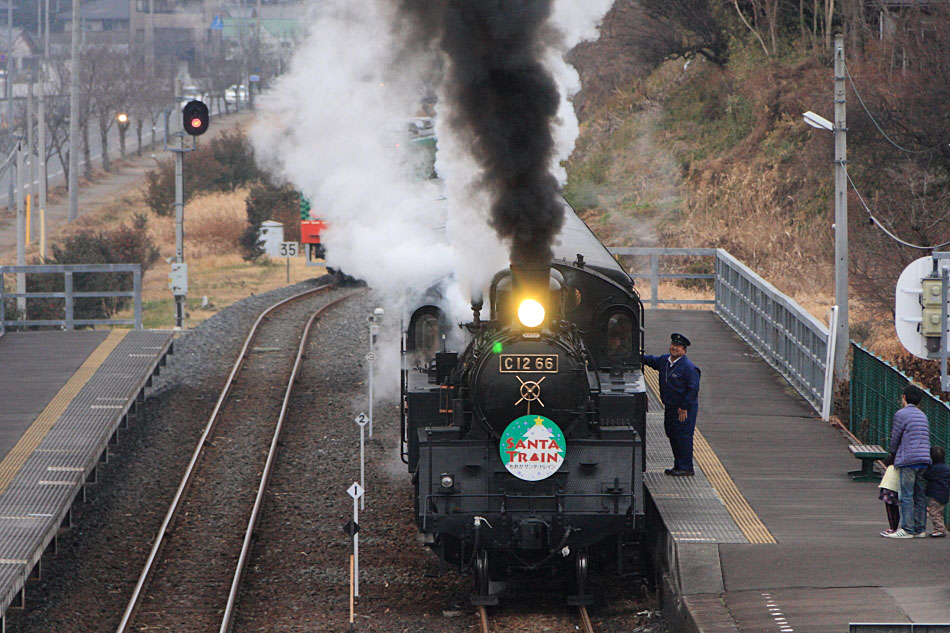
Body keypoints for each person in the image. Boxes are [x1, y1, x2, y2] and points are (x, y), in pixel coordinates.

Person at [643, 333, 701, 476]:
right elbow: (650, 360)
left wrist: (684, 407)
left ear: (684, 350)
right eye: (673, 345)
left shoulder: (689, 368)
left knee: (683, 435)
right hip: (670, 406)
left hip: (683, 408)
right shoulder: (665, 361)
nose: (674, 348)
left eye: (678, 346)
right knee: (672, 433)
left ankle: (686, 467)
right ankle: (678, 464)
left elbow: (693, 389)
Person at [885, 384, 932, 539]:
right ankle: (920, 529)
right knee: (919, 496)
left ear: (904, 398)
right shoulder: (922, 415)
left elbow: (896, 437)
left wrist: (893, 453)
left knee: (906, 495)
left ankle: (907, 529)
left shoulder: (901, 414)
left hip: (908, 460)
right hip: (924, 460)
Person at [924, 446, 950, 538]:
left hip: (936, 494)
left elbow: (926, 475)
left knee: (934, 512)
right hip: (944, 493)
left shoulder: (933, 468)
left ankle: (939, 529)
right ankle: (940, 527)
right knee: (939, 512)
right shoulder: (946, 468)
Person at [878, 454, 900, 537]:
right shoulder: (903, 462)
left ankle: (892, 528)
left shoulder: (891, 464)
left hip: (889, 485)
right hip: (895, 486)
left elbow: (886, 460)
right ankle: (894, 527)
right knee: (895, 508)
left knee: (890, 508)